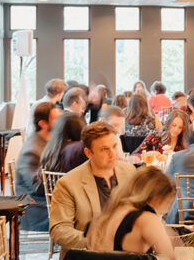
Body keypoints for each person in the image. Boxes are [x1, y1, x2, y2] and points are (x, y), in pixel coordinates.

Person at [49, 122, 138, 251]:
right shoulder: (68, 184)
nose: (113, 153)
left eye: (114, 146)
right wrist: (94, 240)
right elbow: (59, 230)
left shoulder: (129, 171)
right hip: (88, 258)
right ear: (89, 153)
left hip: (128, 254)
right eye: (105, 149)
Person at [16, 102, 61, 231]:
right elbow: (36, 186)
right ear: (43, 124)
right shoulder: (32, 151)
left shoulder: (48, 141)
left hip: (45, 201)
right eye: (56, 119)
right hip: (36, 210)